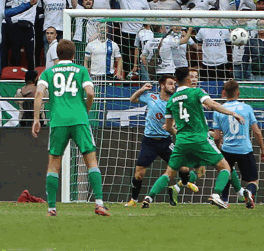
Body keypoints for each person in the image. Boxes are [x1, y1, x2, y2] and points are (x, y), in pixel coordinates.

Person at [141, 66, 245, 209]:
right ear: (189, 79)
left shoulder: (171, 101)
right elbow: (213, 104)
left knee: (169, 173)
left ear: (176, 80)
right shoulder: (196, 92)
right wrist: (232, 113)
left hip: (182, 141)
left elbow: (169, 127)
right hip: (200, 139)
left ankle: (148, 197)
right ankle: (217, 194)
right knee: (224, 167)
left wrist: (179, 133)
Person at [31, 40, 111, 217]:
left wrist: (36, 119)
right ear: (74, 55)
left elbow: (38, 93)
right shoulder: (81, 70)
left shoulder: (48, 72)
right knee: (90, 160)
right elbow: (90, 93)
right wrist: (86, 109)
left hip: (58, 120)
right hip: (79, 118)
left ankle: (51, 208)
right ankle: (99, 203)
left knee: (53, 164)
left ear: (57, 55)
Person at [125, 77, 198, 207]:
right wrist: (142, 89)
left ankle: (184, 183)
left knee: (184, 167)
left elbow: (179, 116)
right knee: (139, 173)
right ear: (162, 85)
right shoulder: (151, 96)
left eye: (174, 84)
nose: (173, 86)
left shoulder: (175, 101)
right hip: (149, 141)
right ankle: (134, 199)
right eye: (170, 84)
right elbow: (132, 99)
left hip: (165, 141)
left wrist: (172, 124)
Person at [212, 79, 264, 208]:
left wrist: (218, 146)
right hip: (245, 149)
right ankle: (248, 193)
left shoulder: (218, 110)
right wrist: (263, 150)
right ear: (238, 93)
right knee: (253, 180)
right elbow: (257, 132)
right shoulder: (247, 108)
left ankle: (224, 200)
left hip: (227, 148)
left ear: (224, 93)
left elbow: (216, 135)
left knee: (225, 172)